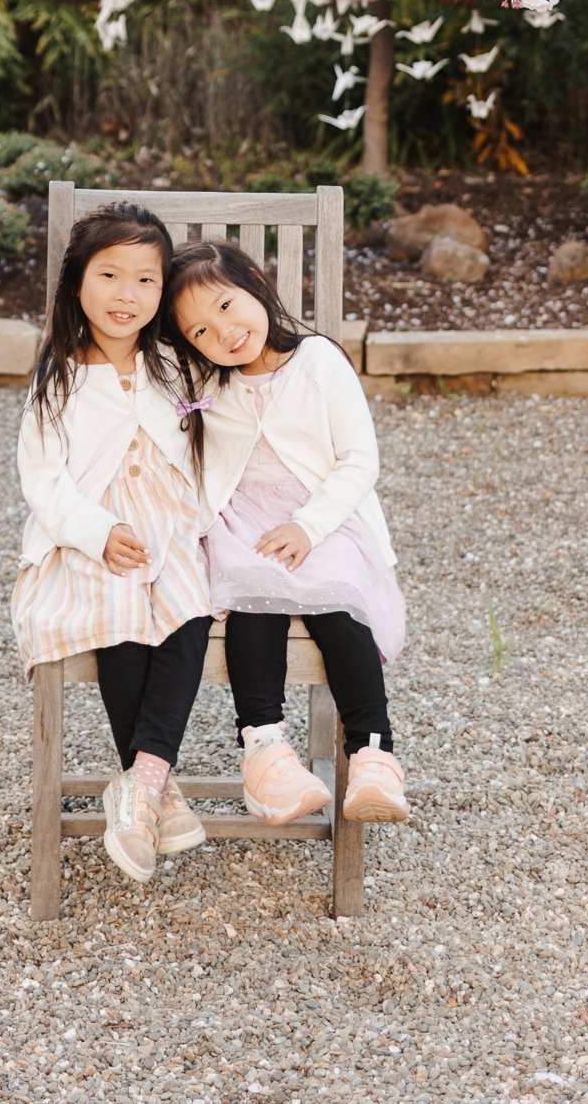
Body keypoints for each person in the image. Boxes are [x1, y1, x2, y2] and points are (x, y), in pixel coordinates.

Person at [163, 235, 408, 827]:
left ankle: (373, 753)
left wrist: (309, 524)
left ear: (253, 279)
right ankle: (266, 752)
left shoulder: (319, 359)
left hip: (323, 516)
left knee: (339, 608)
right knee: (254, 601)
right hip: (242, 519)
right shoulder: (204, 383)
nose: (221, 334)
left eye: (224, 306)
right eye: (198, 331)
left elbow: (358, 459)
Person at [12, 204, 212, 884]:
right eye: (109, 275)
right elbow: (42, 478)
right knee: (119, 609)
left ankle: (141, 781)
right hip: (93, 536)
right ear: (76, 283)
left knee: (186, 602)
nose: (126, 295)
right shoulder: (60, 377)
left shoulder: (173, 367)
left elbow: (214, 445)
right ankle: (156, 784)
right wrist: (96, 533)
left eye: (145, 281)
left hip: (171, 526)